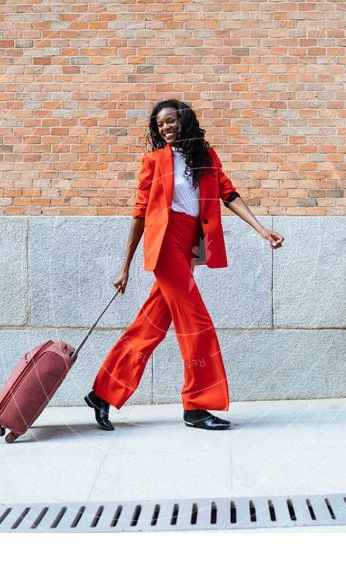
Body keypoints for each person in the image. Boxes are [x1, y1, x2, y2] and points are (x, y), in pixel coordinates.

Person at [84, 99, 284, 431]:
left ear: (185, 121)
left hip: (189, 243)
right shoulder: (153, 161)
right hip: (165, 245)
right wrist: (126, 266)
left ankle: (103, 393)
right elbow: (140, 213)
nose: (165, 127)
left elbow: (228, 194)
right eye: (160, 124)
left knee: (149, 327)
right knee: (197, 324)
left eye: (171, 121)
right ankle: (197, 406)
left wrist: (262, 229)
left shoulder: (207, 157)